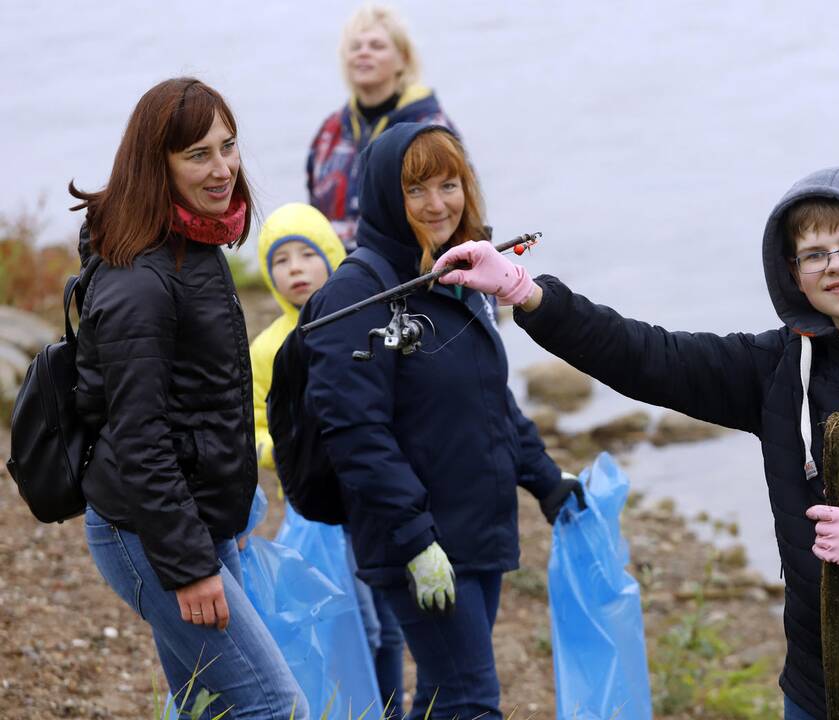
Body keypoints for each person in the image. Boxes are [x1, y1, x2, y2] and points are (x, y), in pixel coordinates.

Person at [434, 164, 839, 719]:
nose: (838, 265)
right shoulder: (778, 369)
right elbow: (649, 357)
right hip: (812, 687)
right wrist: (527, 293)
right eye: (815, 253)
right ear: (793, 273)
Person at [300, 122, 580, 720]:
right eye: (416, 190)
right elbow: (355, 433)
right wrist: (416, 540)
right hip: (419, 539)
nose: (438, 205)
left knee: (438, 696)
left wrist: (548, 482)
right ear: (384, 197)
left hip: (477, 531)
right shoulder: (358, 296)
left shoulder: (459, 280)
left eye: (449, 185)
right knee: (471, 701)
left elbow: (491, 404)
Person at [70, 77, 309, 720]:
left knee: (208, 709)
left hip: (199, 520)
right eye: (198, 154)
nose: (224, 168)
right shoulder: (140, 282)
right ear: (158, 165)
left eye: (228, 146)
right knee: (274, 707)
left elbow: (202, 403)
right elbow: (139, 437)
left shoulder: (193, 244)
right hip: (150, 532)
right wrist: (190, 566)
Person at [249, 201, 404, 706]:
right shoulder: (267, 349)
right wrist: (280, 450)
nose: (294, 268)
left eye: (306, 255)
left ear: (333, 256)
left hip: (372, 492)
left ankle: (390, 704)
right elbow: (250, 421)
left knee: (390, 612)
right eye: (280, 260)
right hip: (315, 509)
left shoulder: (363, 322)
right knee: (352, 617)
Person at [308, 2, 457, 249]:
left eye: (376, 46)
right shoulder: (330, 132)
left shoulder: (429, 127)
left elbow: (454, 212)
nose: (363, 53)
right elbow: (312, 212)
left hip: (407, 275)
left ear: (403, 59)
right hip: (336, 276)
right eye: (355, 47)